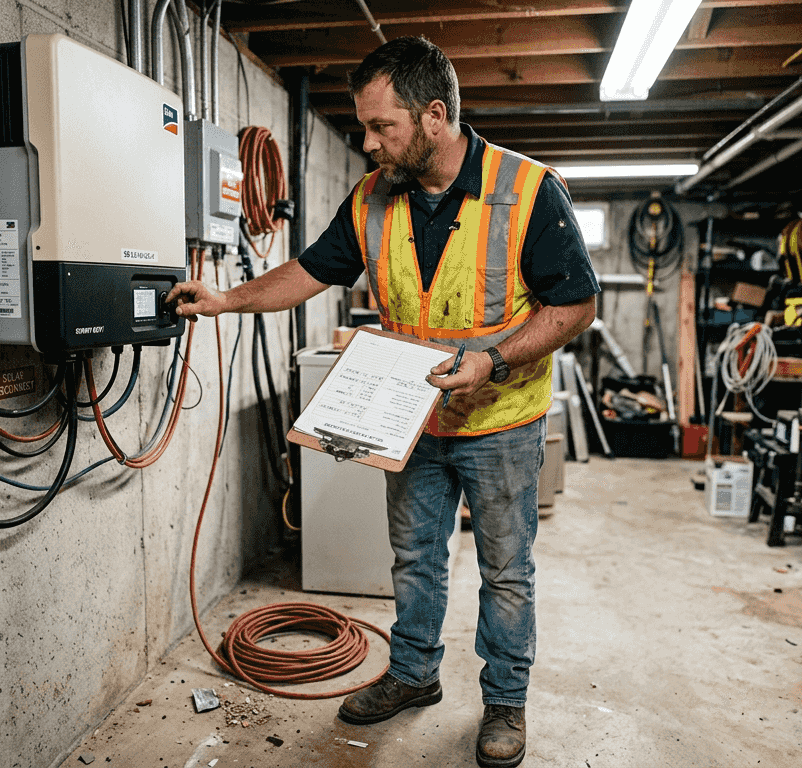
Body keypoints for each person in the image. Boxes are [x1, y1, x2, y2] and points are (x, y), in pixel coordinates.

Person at [169, 36, 599, 768]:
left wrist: (491, 359)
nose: (367, 143)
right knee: (415, 560)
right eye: (365, 127)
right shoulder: (374, 197)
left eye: (381, 127)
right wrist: (227, 299)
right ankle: (413, 675)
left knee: (505, 569)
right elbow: (309, 271)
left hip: (500, 421)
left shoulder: (526, 190)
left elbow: (577, 306)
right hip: (415, 421)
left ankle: (504, 701)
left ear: (434, 117)